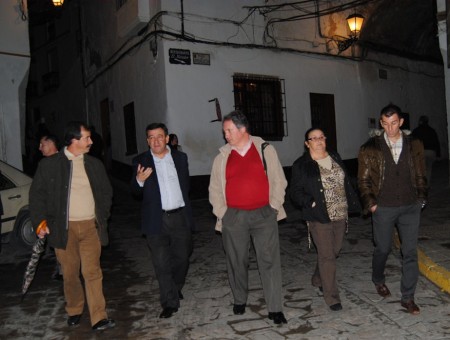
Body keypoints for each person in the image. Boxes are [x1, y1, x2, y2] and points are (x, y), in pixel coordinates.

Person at [29, 121, 115, 331]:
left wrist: (101, 216)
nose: (91, 141)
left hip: (90, 227)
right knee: (69, 273)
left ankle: (99, 317)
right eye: (86, 138)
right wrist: (40, 223)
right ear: (73, 141)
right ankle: (75, 309)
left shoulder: (95, 164)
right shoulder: (49, 165)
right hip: (63, 229)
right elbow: (37, 196)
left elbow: (106, 193)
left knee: (92, 271)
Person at [209, 111, 288, 324]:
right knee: (236, 261)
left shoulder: (265, 149)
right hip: (233, 216)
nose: (226, 135)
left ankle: (274, 308)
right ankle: (239, 299)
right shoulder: (222, 157)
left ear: (243, 129)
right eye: (224, 131)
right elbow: (214, 188)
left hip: (264, 214)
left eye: (229, 130)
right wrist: (223, 212)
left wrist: (273, 206)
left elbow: (279, 180)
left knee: (269, 260)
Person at [358, 104, 427, 315]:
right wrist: (372, 204)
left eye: (394, 123)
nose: (390, 128)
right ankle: (378, 278)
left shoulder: (414, 144)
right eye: (385, 124)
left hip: (409, 206)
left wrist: (421, 198)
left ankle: (408, 297)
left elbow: (420, 173)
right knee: (383, 248)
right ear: (381, 123)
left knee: (409, 252)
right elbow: (363, 180)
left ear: (402, 122)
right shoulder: (369, 148)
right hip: (384, 207)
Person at [290, 128, 360, 311]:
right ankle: (332, 297)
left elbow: (345, 181)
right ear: (307, 143)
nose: (319, 141)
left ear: (325, 139)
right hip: (318, 216)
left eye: (321, 137)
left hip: (340, 213)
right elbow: (294, 192)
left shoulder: (335, 156)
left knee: (332, 251)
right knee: (328, 256)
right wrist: (309, 202)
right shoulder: (301, 164)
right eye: (314, 138)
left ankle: (318, 277)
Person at [131, 123, 194, 319]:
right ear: (147, 140)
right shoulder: (140, 161)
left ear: (167, 138)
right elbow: (134, 191)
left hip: (179, 217)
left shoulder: (180, 158)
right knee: (161, 263)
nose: (155, 141)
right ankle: (169, 302)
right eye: (151, 137)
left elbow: (186, 186)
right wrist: (139, 180)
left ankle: (175, 287)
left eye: (159, 136)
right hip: (155, 220)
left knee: (182, 258)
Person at [38, 134, 63, 281]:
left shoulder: (63, 162)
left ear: (51, 143)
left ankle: (64, 270)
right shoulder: (44, 164)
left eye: (42, 144)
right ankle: (61, 268)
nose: (39, 148)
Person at [412, 115, 440, 187]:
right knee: (428, 168)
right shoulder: (432, 130)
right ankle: (426, 185)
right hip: (431, 151)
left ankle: (419, 184)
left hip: (419, 151)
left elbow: (412, 142)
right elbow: (436, 142)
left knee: (419, 168)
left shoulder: (416, 131)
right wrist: (438, 154)